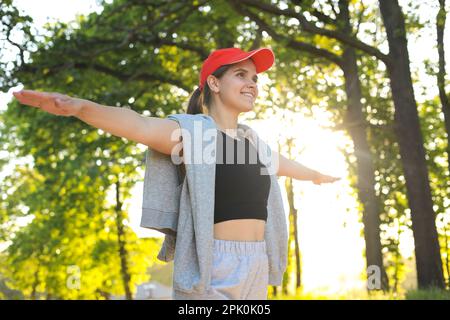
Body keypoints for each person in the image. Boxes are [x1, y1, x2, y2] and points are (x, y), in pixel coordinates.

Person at [12, 47, 340, 300]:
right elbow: (137, 124)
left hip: (256, 262)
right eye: (241, 75)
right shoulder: (193, 134)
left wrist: (315, 175)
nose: (252, 84)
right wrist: (77, 106)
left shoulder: (252, 142)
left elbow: (283, 164)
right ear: (213, 82)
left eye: (255, 78)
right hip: (216, 264)